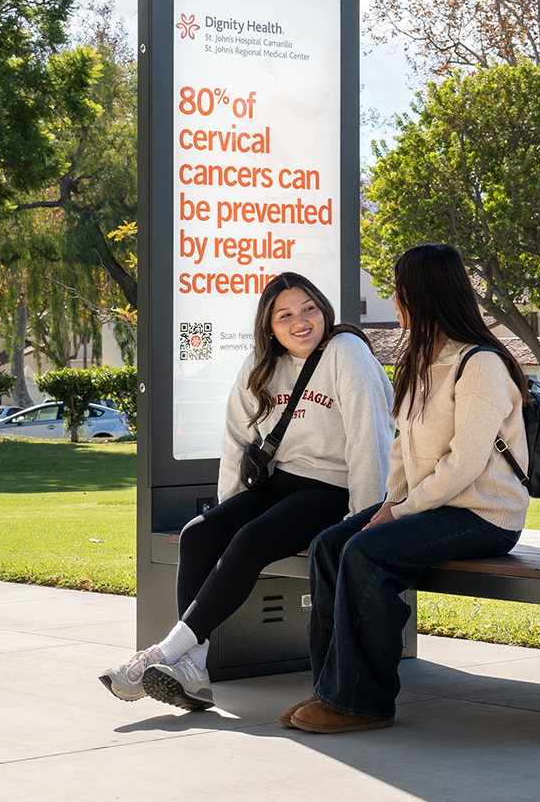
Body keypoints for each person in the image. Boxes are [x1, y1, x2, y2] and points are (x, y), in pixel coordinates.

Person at [97, 272, 392, 710]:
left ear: (324, 309)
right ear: (269, 325)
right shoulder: (261, 360)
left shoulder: (346, 352)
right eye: (285, 315)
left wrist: (362, 521)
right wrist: (229, 511)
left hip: (334, 490)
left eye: (309, 308)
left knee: (251, 540)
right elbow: (237, 438)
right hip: (281, 484)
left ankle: (165, 654)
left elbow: (371, 439)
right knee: (200, 532)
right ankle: (193, 666)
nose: (301, 322)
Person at [281, 242, 531, 735]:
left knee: (365, 554)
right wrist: (390, 503)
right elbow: (402, 449)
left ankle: (363, 702)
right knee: (330, 545)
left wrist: (400, 512)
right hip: (429, 507)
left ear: (422, 296)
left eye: (399, 293)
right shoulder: (421, 360)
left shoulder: (481, 364)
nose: (394, 303)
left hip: (483, 514)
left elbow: (465, 464)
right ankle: (332, 688)